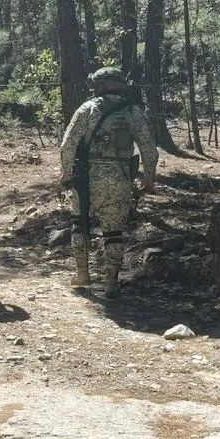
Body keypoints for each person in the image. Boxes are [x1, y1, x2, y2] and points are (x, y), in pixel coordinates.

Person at [59, 67, 158, 298]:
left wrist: (65, 173)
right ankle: (111, 281)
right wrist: (149, 178)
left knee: (79, 223)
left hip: (87, 178)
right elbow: (149, 149)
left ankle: (82, 272)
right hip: (121, 178)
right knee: (114, 232)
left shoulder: (86, 109)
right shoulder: (134, 112)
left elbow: (68, 144)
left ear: (99, 85)